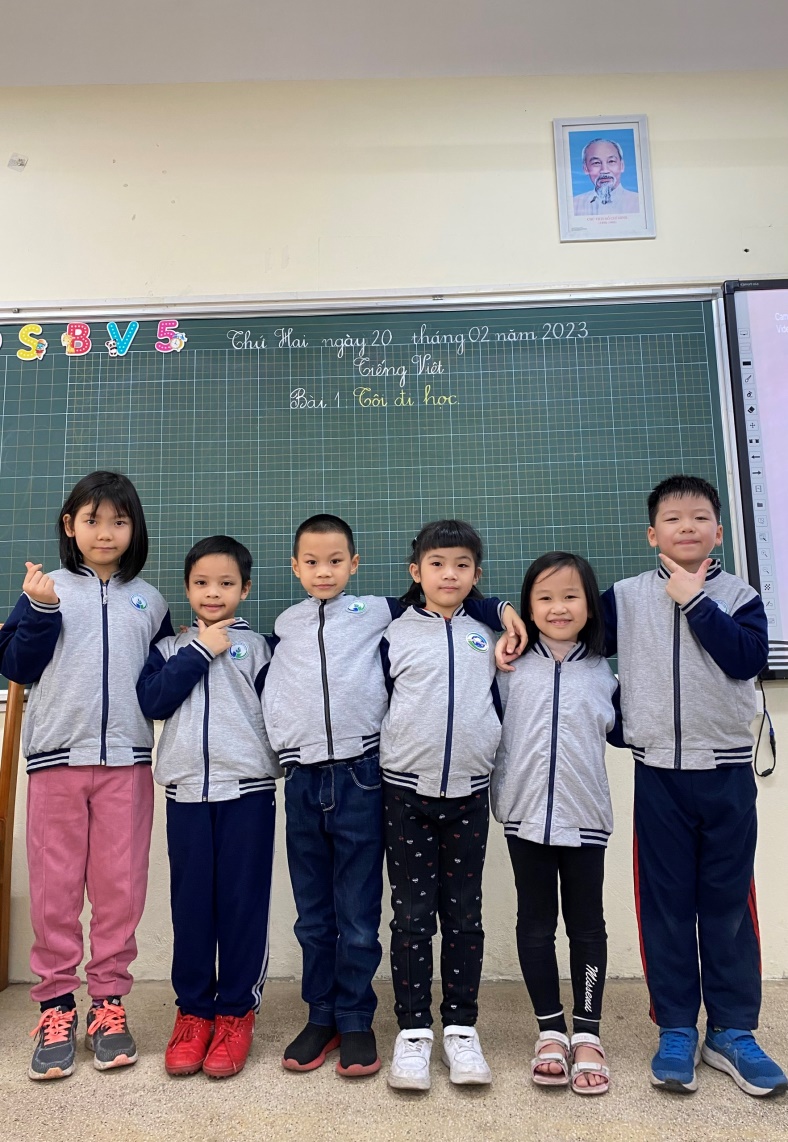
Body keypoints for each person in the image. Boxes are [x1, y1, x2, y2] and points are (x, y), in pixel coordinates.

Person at [263, 514, 523, 1080]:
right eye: (312, 561)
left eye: (336, 561)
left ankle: (358, 1018)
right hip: (309, 777)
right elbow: (274, 684)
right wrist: (283, 744)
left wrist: (502, 608)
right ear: (295, 567)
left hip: (368, 776)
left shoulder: (381, 613)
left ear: (355, 565)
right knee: (315, 917)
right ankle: (323, 1016)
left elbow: (457, 600)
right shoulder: (287, 624)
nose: (324, 571)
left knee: (363, 916)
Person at [602, 475, 787, 1097]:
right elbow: (565, 628)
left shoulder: (739, 595)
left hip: (727, 775)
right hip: (659, 774)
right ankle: (677, 1027)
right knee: (667, 907)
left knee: (729, 907)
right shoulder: (626, 597)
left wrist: (695, 601)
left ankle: (732, 1031)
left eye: (700, 517)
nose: (687, 526)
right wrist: (503, 618)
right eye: (673, 519)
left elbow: (747, 659)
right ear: (652, 534)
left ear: (719, 532)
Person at [0, 471, 172, 1081]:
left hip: (128, 762)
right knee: (55, 891)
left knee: (120, 890)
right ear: (69, 525)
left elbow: (160, 686)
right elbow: (16, 665)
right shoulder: (46, 589)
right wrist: (40, 610)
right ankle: (55, 1007)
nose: (105, 532)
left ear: (134, 529)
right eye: (92, 520)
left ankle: (108, 1004)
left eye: (119, 521)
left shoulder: (150, 601)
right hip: (56, 761)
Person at [136, 536, 280, 1079]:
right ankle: (194, 1013)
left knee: (242, 905)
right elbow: (153, 701)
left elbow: (283, 710)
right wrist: (199, 650)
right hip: (186, 795)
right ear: (187, 588)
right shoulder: (169, 648)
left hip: (248, 793)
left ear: (246, 589)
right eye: (201, 583)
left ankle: (236, 1012)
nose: (213, 593)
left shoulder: (260, 648)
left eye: (226, 583)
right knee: (192, 906)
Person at [380, 520, 504, 1092]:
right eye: (437, 564)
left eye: (461, 565)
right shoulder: (391, 630)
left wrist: (499, 610)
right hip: (405, 792)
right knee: (410, 917)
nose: (449, 574)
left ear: (476, 575)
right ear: (416, 571)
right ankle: (412, 1032)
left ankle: (460, 1027)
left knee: (463, 916)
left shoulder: (490, 634)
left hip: (470, 794)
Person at [491, 552, 620, 1096]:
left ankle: (587, 1034)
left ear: (590, 605)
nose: (558, 607)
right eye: (544, 597)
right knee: (536, 923)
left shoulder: (605, 671)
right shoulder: (507, 666)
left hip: (586, 817)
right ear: (527, 607)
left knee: (587, 925)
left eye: (570, 596)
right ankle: (549, 1031)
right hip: (524, 816)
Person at [572, 138, 640, 216]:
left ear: (622, 166)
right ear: (585, 169)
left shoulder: (638, 202)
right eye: (596, 163)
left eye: (611, 161)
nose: (604, 170)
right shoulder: (574, 205)